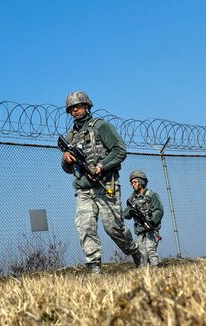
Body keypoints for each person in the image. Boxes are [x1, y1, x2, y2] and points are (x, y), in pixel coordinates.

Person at [60, 91, 143, 274]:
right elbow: (66, 169)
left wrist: (101, 166)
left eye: (78, 106)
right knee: (85, 227)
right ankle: (94, 267)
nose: (75, 110)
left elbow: (119, 150)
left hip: (106, 186)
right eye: (71, 109)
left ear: (87, 107)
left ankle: (135, 251)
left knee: (113, 228)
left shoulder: (101, 126)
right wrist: (66, 159)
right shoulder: (71, 137)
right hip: (84, 190)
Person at [122, 170, 164, 267]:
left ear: (141, 182)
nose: (133, 185)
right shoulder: (131, 199)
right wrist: (130, 212)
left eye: (135, 182)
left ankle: (157, 268)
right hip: (140, 229)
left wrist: (152, 221)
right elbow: (126, 214)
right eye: (132, 183)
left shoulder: (151, 195)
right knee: (141, 252)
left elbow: (159, 210)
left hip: (151, 228)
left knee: (150, 249)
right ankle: (144, 273)